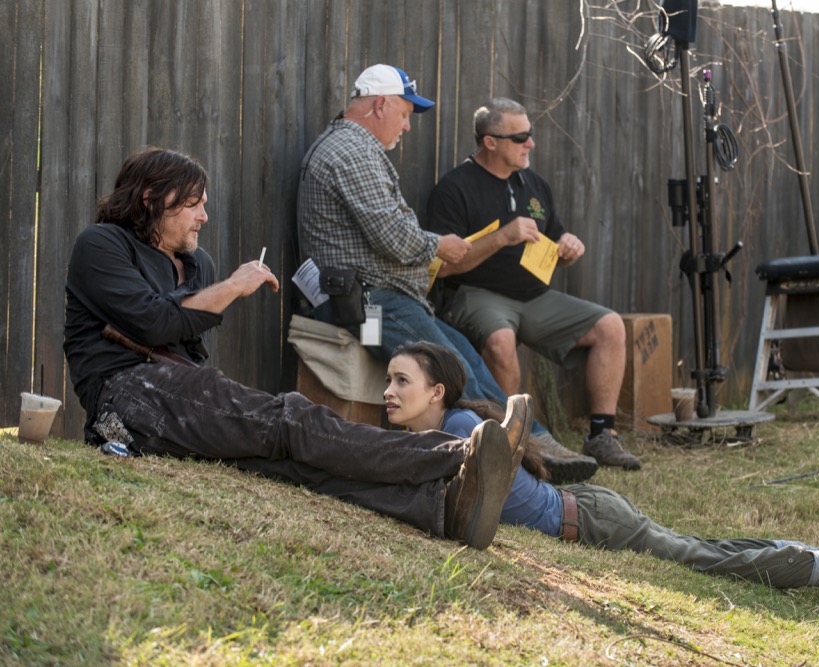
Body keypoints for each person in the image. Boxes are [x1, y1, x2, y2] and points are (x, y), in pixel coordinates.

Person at [62, 146, 534, 551]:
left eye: (204, 204)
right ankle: (459, 454)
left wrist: (212, 291)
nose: (204, 216)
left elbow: (182, 337)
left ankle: (444, 508)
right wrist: (232, 286)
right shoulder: (102, 245)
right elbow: (154, 322)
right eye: (191, 205)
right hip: (126, 392)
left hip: (171, 393)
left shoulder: (194, 264)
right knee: (292, 418)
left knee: (292, 464)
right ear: (149, 199)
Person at [382, 341, 819, 634]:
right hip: (589, 508)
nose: (388, 391)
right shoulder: (447, 432)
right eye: (388, 380)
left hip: (591, 521)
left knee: (706, 559)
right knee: (707, 550)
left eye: (401, 381)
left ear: (437, 391)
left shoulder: (457, 433)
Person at [296, 64, 598, 484]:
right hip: (365, 304)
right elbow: (392, 236)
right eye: (404, 114)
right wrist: (440, 245)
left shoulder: (353, 147)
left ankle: (529, 443)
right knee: (451, 371)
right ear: (380, 105)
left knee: (465, 359)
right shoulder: (353, 151)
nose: (406, 126)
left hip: (378, 298)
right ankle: (518, 457)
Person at [425, 97, 640, 471]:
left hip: (534, 296)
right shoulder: (455, 188)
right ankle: (515, 443)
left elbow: (554, 237)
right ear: (490, 142)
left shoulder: (533, 184)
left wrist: (568, 245)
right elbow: (442, 268)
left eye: (531, 134)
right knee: (501, 342)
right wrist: (501, 237)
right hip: (475, 294)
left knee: (609, 325)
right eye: (520, 136)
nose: (531, 143)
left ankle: (602, 436)